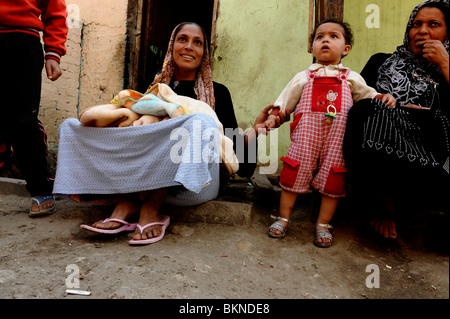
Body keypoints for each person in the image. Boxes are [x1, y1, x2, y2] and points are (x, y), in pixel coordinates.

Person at [53, 22, 287, 245]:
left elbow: (241, 165)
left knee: (198, 121)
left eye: (197, 42)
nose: (188, 46)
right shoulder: (153, 91)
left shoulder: (219, 94)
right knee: (72, 126)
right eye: (182, 39)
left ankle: (150, 207)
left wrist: (255, 132)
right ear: (171, 46)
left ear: (204, 52)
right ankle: (127, 203)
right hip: (143, 179)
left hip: (195, 186)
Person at [265, 19, 396, 247]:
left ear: (346, 49)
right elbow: (284, 102)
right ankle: (283, 217)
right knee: (295, 171)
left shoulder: (351, 78)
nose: (325, 39)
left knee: (333, 177)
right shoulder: (304, 76)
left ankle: (323, 224)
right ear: (312, 48)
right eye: (319, 37)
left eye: (334, 36)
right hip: (306, 136)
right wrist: (273, 117)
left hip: (337, 138)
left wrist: (383, 98)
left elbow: (369, 95)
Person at [343, 0, 449, 240]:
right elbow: (355, 104)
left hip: (435, 160)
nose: (422, 31)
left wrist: (444, 63)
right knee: (367, 109)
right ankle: (383, 202)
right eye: (416, 24)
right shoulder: (381, 62)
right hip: (387, 156)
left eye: (434, 25)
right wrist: (394, 107)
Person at [0, 0, 68, 217]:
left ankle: (40, 189)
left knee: (23, 119)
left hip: (23, 42)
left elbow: (55, 10)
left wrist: (53, 53)